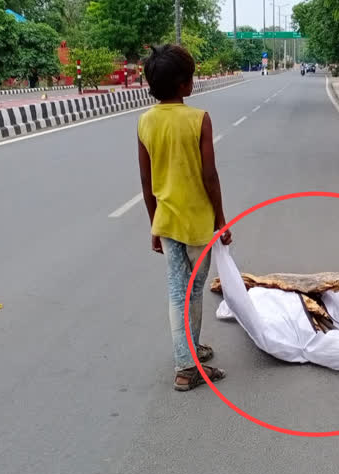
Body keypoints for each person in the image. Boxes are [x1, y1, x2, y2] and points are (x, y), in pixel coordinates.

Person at [137, 44, 232, 391]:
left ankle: (189, 352)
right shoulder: (199, 119)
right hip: (197, 224)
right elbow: (210, 175)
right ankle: (186, 366)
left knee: (178, 291)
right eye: (190, 77)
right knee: (190, 292)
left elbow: (146, 181)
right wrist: (221, 218)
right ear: (182, 85)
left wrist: (153, 225)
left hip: (167, 222)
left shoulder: (145, 121)